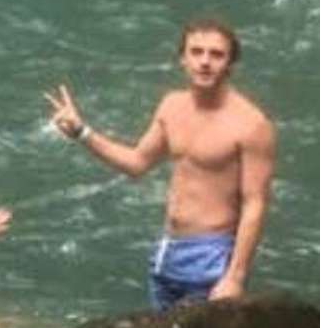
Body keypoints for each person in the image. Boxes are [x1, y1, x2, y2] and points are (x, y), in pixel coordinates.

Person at [47, 18, 278, 309]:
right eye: (196, 52)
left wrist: (235, 276)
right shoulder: (172, 106)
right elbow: (137, 163)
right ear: (183, 59)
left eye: (216, 54)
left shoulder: (251, 125)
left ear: (230, 64)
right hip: (167, 251)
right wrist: (82, 132)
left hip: (212, 256)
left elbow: (255, 202)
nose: (205, 62)